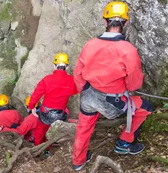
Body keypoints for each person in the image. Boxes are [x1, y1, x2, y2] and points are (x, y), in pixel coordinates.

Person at [72, 1, 153, 171]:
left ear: (105, 21)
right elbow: (135, 83)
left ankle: (78, 161)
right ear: (126, 22)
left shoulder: (90, 44)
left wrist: (85, 89)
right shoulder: (128, 50)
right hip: (112, 102)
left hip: (88, 94)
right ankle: (124, 143)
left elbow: (78, 73)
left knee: (84, 126)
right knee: (145, 107)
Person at [27, 53, 79, 152]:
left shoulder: (47, 80)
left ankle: (36, 149)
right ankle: (48, 150)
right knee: (52, 132)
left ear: (54, 65)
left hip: (45, 113)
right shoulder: (72, 81)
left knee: (39, 131)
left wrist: (32, 106)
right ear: (67, 67)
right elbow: (77, 90)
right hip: (60, 114)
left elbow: (36, 94)